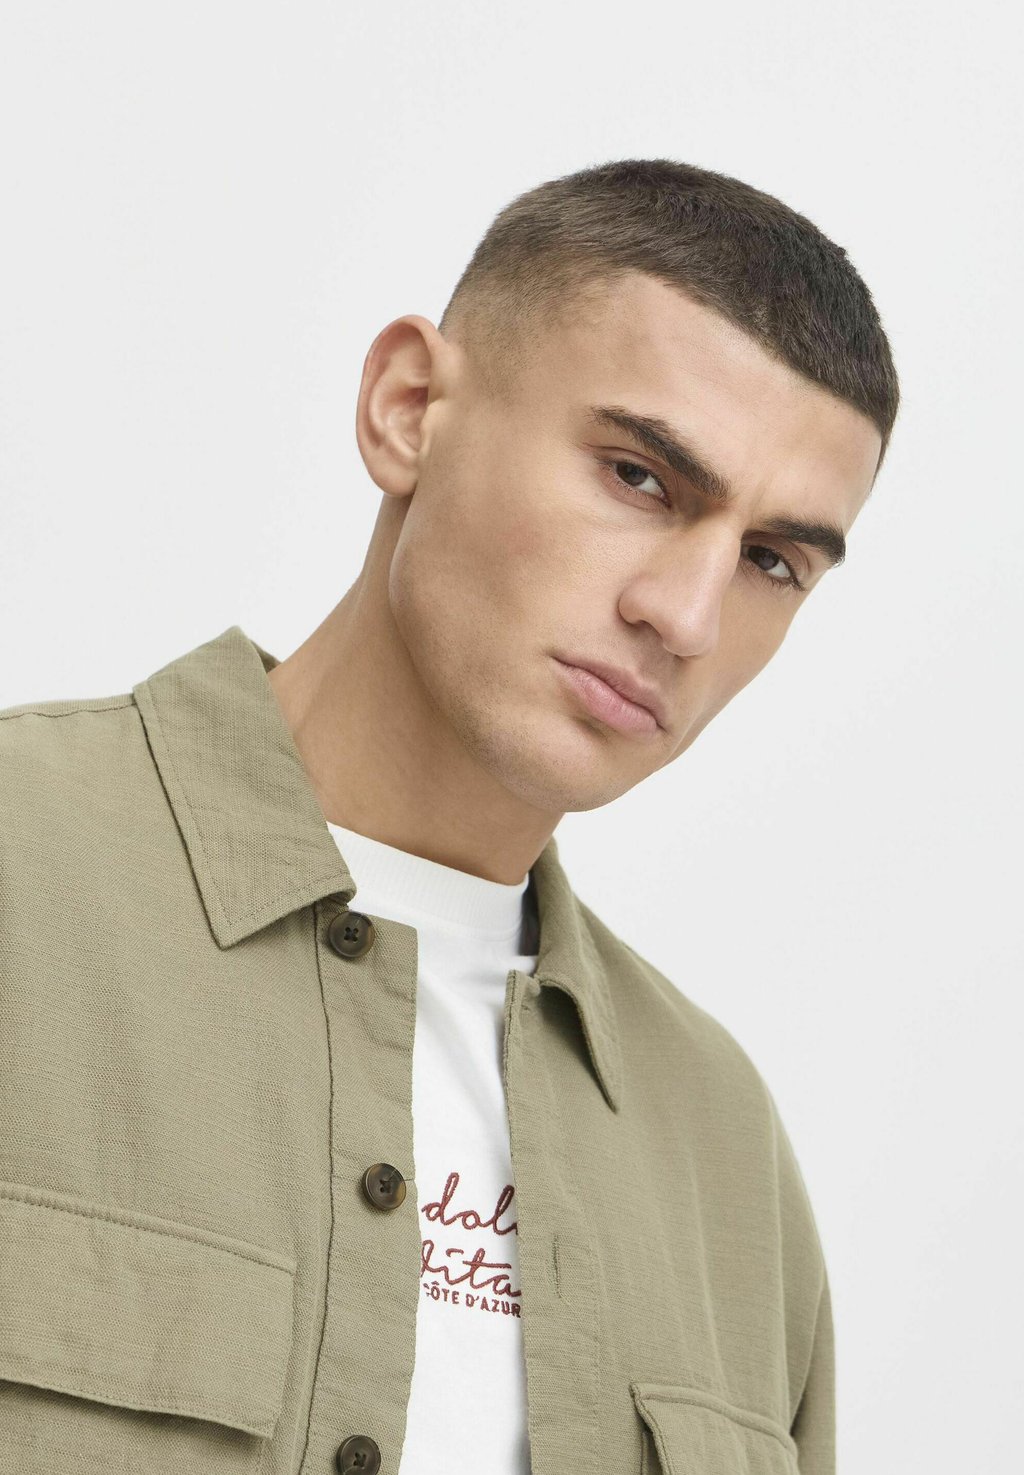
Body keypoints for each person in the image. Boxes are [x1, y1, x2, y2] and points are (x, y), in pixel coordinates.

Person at [0, 158, 897, 1475]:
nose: (687, 617)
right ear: (409, 409)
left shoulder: (723, 1150)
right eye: (640, 477)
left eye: (773, 561)